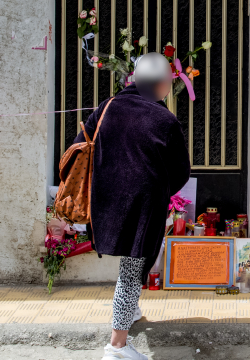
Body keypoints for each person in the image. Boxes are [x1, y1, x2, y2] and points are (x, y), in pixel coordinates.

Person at [74, 53, 191, 360]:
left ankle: (132, 311)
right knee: (131, 269)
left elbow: (81, 141)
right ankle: (116, 345)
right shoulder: (165, 120)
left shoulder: (107, 107)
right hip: (143, 206)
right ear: (164, 85)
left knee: (131, 263)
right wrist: (158, 190)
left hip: (105, 202)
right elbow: (180, 172)